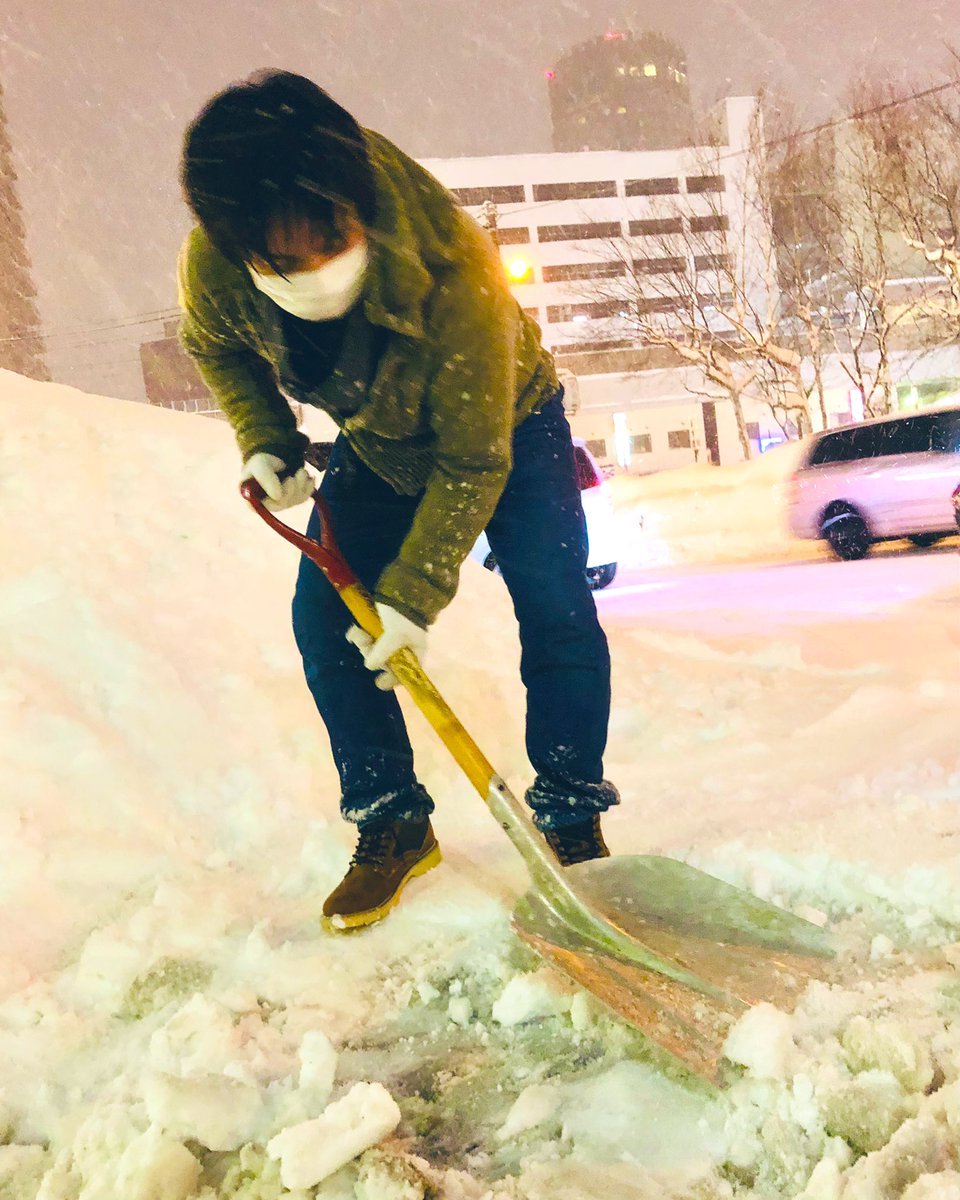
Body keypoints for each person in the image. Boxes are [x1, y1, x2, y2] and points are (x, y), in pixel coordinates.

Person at [178, 69, 619, 928]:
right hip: (377, 444)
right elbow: (213, 345)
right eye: (283, 263)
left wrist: (412, 597)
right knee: (324, 624)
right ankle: (393, 819)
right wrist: (265, 436)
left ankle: (571, 816)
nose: (311, 273)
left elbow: (472, 460)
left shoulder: (455, 269)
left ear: (360, 207)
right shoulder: (219, 262)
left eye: (328, 243)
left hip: (510, 429)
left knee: (558, 608)